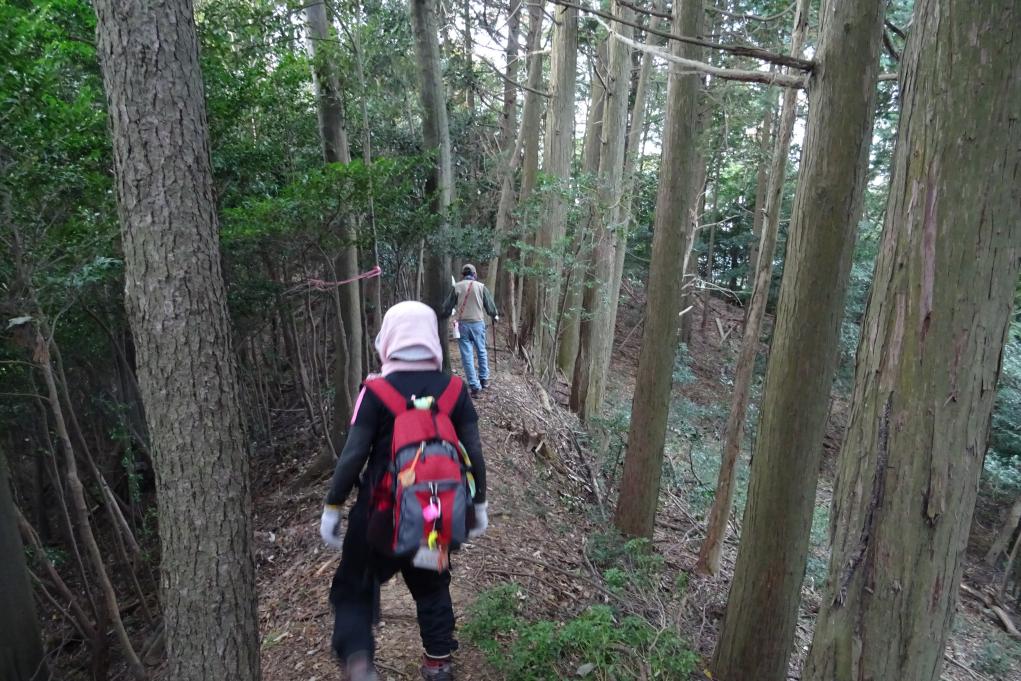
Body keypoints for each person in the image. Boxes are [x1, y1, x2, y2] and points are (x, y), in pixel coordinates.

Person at [318, 301, 488, 681]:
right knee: (432, 587)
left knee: (355, 584)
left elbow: (353, 455)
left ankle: (360, 663)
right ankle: (438, 663)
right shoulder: (455, 389)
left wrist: (333, 506)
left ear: (388, 338)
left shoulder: (375, 390)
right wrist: (479, 504)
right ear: (432, 338)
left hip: (377, 517)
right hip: (433, 514)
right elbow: (473, 451)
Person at [442, 264, 499, 397]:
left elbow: (447, 306)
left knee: (467, 355)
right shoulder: (481, 287)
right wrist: (494, 315)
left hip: (463, 325)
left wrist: (444, 314)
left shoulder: (457, 287)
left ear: (462, 274)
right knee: (481, 351)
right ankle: (484, 379)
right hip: (478, 324)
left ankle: (474, 385)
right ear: (474, 274)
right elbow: (490, 305)